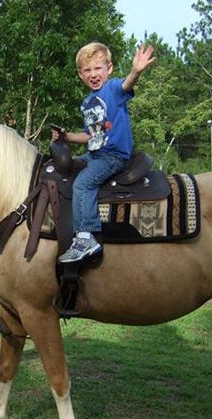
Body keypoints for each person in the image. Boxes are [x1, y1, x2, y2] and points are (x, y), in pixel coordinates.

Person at [52, 42, 155, 263]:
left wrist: (136, 71)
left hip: (112, 156)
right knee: (65, 170)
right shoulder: (87, 102)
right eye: (87, 70)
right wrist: (66, 137)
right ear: (80, 75)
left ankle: (86, 237)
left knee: (83, 183)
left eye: (98, 68)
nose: (93, 74)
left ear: (109, 68)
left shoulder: (113, 90)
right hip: (94, 154)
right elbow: (90, 135)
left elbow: (127, 85)